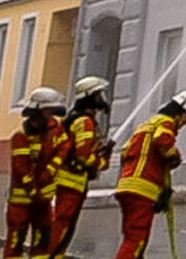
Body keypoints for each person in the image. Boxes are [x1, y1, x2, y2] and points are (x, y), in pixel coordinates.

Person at [114, 90, 186, 259]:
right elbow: (163, 142)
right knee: (136, 241)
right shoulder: (165, 123)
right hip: (142, 191)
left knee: (132, 238)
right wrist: (175, 158)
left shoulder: (146, 125)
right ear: (181, 113)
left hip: (126, 186)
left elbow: (125, 152)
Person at [50, 78, 115, 259]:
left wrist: (102, 150)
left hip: (70, 180)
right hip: (72, 181)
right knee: (63, 224)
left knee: (65, 224)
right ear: (89, 96)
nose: (101, 98)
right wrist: (103, 162)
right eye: (98, 94)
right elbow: (84, 155)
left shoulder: (75, 117)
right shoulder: (84, 121)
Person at [6, 88, 65, 259]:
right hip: (21, 202)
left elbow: (60, 153)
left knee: (42, 242)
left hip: (43, 201)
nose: (52, 113)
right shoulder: (21, 135)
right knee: (16, 243)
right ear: (37, 110)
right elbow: (21, 168)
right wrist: (34, 192)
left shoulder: (51, 132)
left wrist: (48, 177)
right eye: (48, 109)